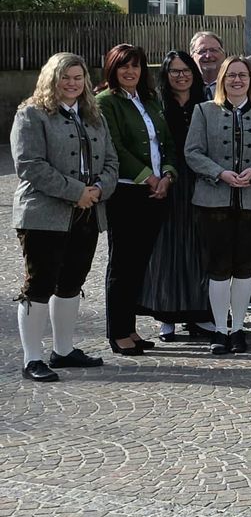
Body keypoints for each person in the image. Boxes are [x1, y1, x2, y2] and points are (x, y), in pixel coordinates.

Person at [11, 53, 118, 382]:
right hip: (43, 214)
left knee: (72, 282)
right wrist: (76, 192)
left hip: (88, 213)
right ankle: (32, 358)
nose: (72, 83)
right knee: (39, 284)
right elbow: (30, 165)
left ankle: (63, 350)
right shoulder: (31, 114)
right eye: (65, 77)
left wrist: (99, 189)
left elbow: (111, 161)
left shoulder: (93, 115)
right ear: (51, 78)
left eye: (78, 77)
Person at [185, 56, 251, 354]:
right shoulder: (203, 111)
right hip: (213, 201)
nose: (237, 80)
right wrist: (220, 173)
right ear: (222, 80)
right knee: (218, 268)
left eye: (242, 75)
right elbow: (193, 152)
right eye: (231, 75)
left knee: (245, 268)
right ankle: (220, 329)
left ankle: (238, 328)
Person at [96, 44, 175, 357]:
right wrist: (148, 177)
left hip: (155, 192)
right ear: (112, 69)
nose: (130, 72)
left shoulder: (150, 100)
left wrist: (167, 175)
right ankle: (117, 331)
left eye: (136, 66)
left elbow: (166, 142)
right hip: (127, 192)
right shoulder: (106, 101)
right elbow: (114, 147)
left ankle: (130, 328)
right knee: (122, 264)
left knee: (139, 264)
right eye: (123, 66)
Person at [141, 51, 214, 341]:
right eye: (174, 71)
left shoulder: (208, 101)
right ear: (165, 75)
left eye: (186, 70)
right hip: (167, 180)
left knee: (199, 246)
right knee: (167, 248)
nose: (181, 76)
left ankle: (200, 313)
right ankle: (166, 315)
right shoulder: (155, 105)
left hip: (201, 179)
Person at [189, 31, 225, 99]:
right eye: (202, 51)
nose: (208, 56)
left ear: (223, 54)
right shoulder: (184, 87)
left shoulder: (234, 85)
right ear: (192, 56)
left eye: (213, 50)